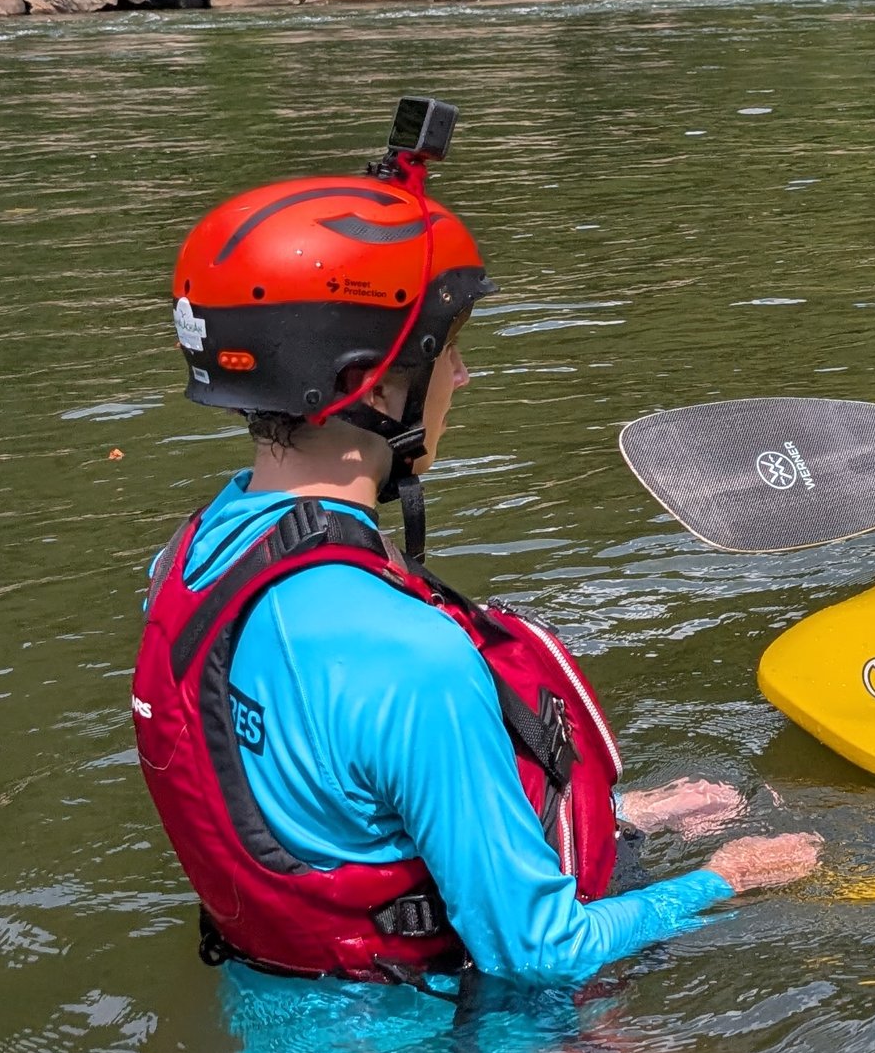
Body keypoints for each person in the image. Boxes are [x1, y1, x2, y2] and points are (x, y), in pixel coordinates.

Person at [133, 95, 818, 991]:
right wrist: (720, 882)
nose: (463, 373)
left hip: (282, 1011)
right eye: (448, 348)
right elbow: (538, 954)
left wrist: (619, 820)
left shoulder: (191, 557)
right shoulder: (413, 658)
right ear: (367, 387)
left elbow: (329, 797)